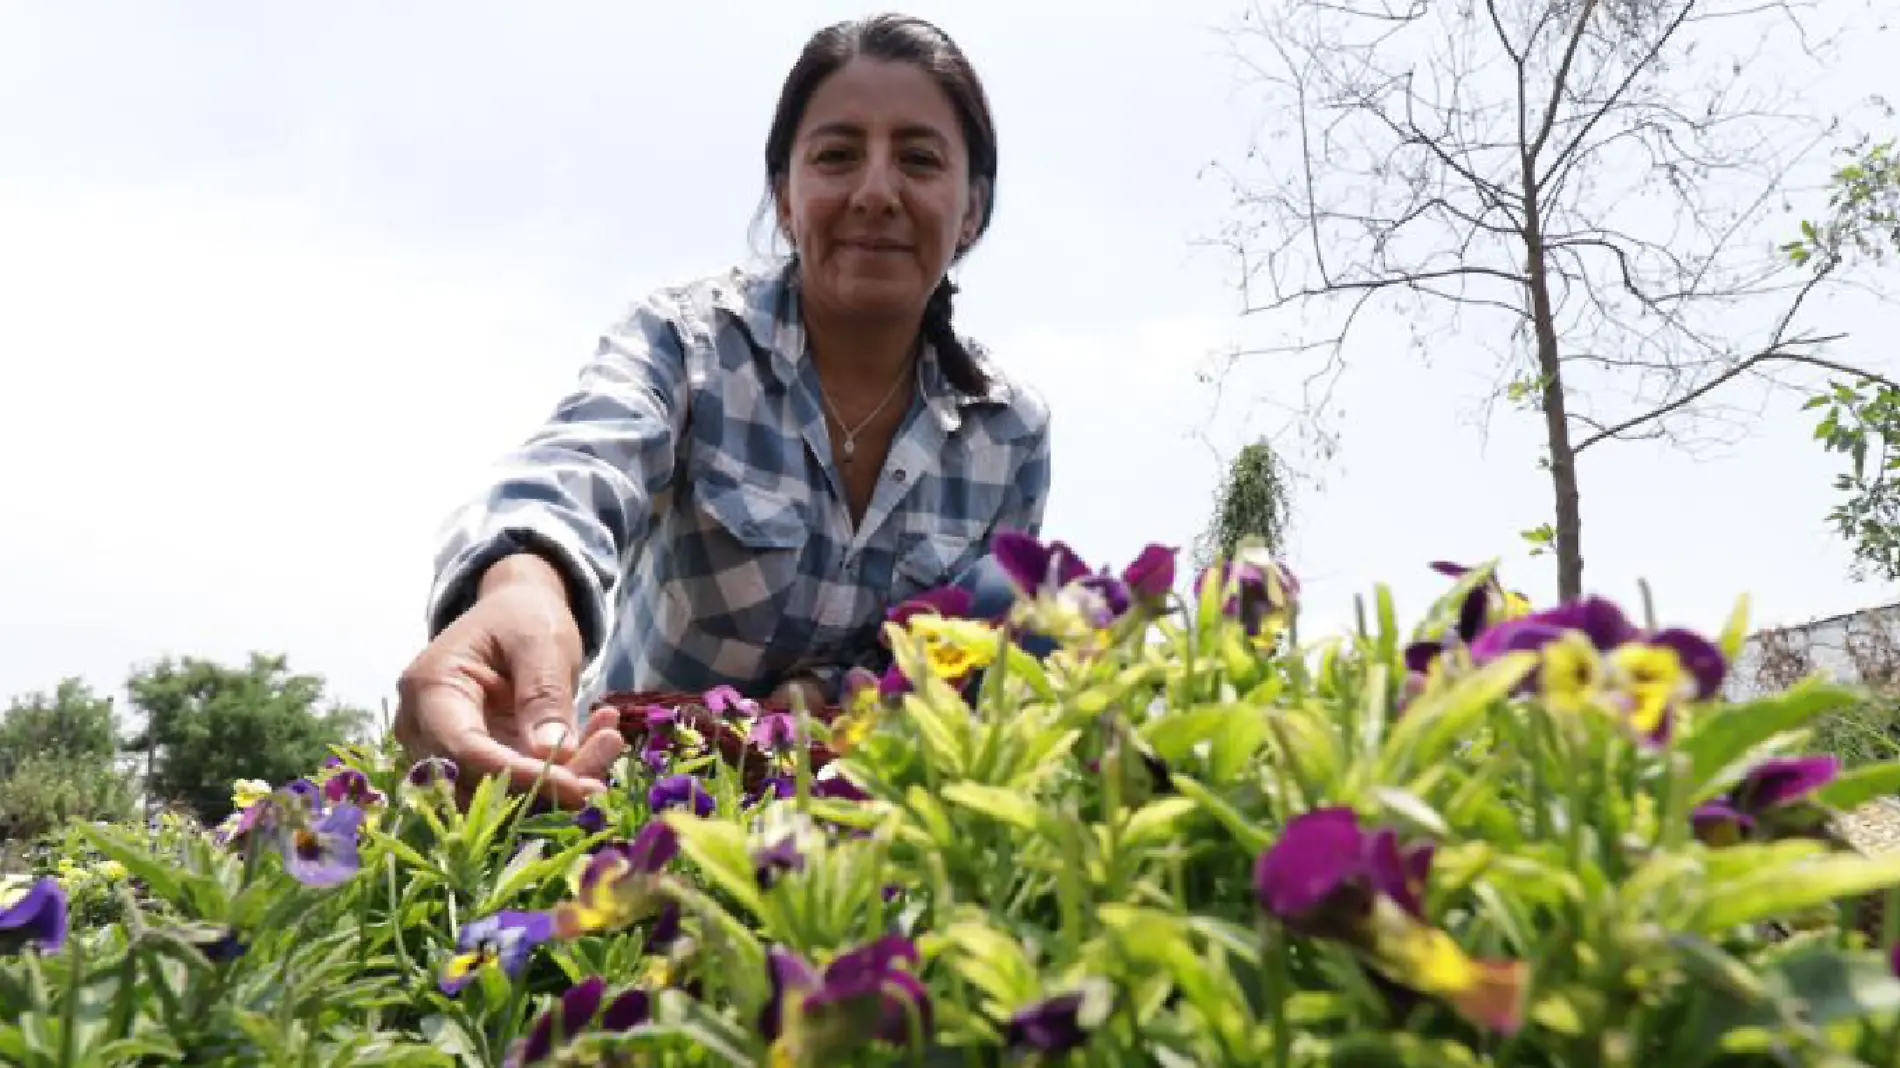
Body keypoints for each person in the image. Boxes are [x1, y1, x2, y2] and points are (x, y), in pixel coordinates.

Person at [392, 13, 1052, 808]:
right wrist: (524, 585)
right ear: (784, 196)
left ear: (972, 208)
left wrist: (822, 691)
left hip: (849, 811)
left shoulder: (1006, 430)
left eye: (918, 159)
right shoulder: (688, 342)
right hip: (628, 797)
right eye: (837, 156)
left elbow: (956, 652)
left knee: (1027, 607)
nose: (877, 192)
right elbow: (580, 465)